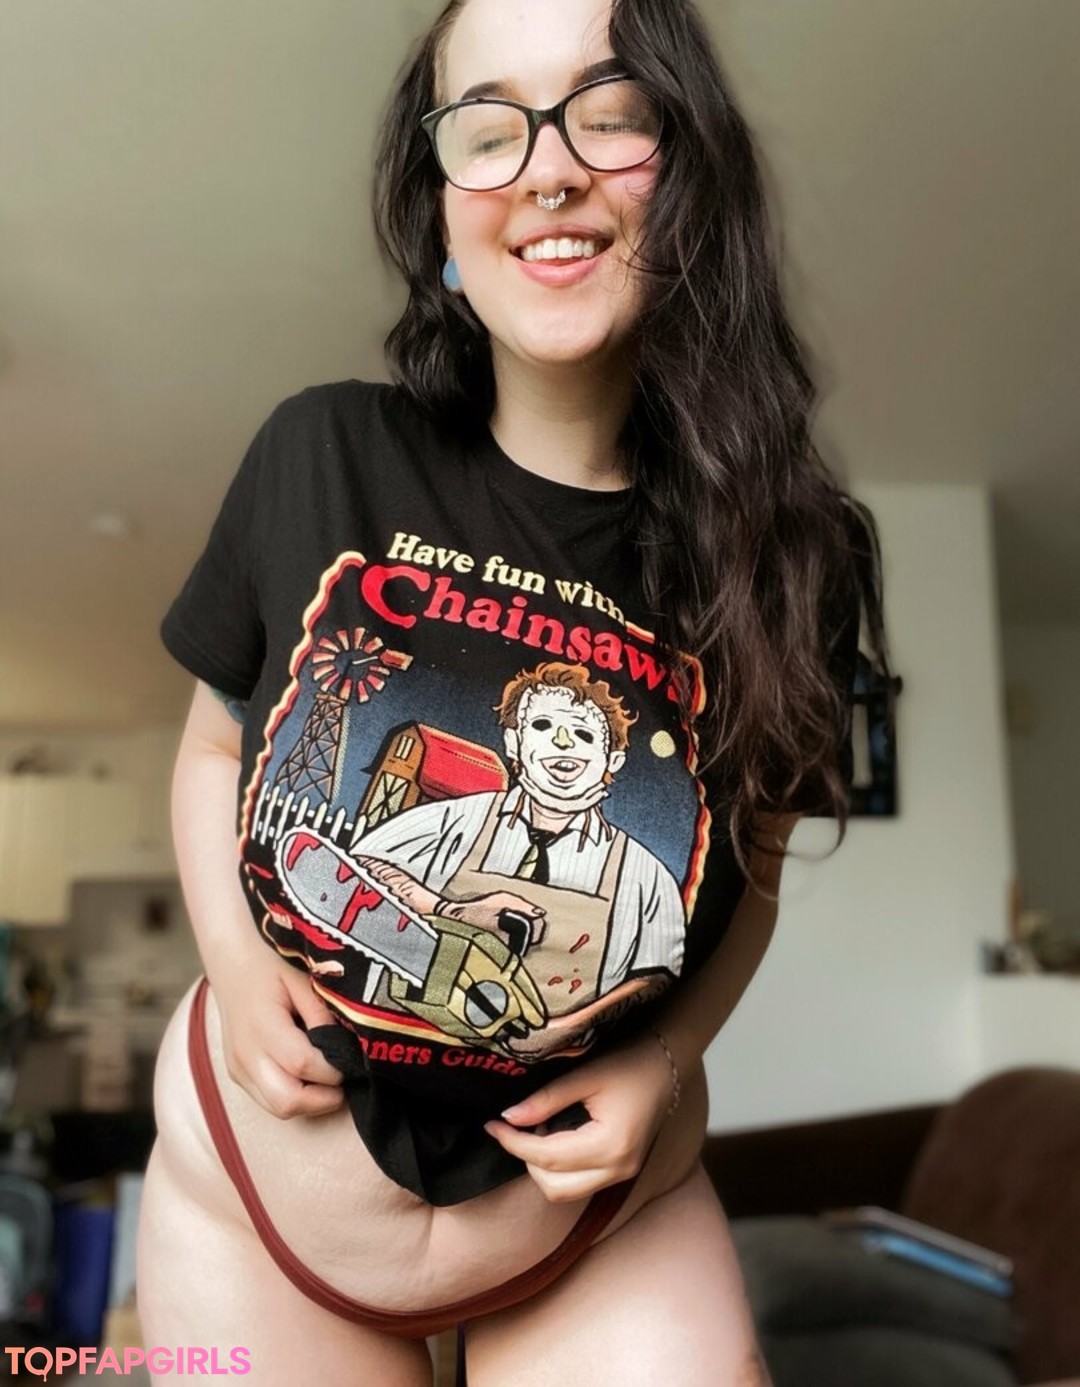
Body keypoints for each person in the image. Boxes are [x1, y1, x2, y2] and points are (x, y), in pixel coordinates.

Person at [136, 0, 887, 1382]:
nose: (548, 168)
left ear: (693, 173)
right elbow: (207, 755)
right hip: (258, 1213)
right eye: (488, 130)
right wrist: (238, 970)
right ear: (441, 207)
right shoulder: (318, 451)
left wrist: (671, 1062)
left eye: (611, 114)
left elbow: (758, 865)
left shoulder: (798, 557)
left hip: (593, 1233)